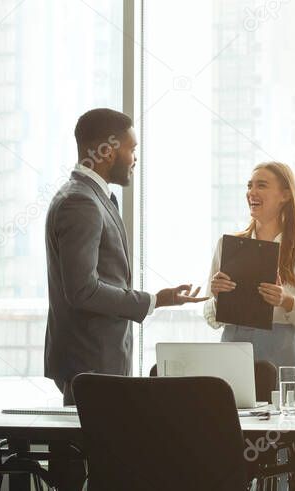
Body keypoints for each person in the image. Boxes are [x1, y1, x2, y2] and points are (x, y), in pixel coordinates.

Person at [45, 108, 208, 405]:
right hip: (90, 365)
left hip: (98, 362)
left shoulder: (92, 196)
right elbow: (83, 290)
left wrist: (162, 298)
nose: (135, 158)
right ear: (107, 151)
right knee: (99, 451)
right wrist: (150, 301)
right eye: (132, 148)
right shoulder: (81, 202)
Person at [204, 162, 295, 367]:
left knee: (283, 400)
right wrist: (218, 299)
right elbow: (209, 315)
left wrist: (288, 301)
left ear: (285, 195)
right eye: (249, 186)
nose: (251, 192)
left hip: (282, 350)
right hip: (232, 348)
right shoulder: (226, 245)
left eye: (261, 185)